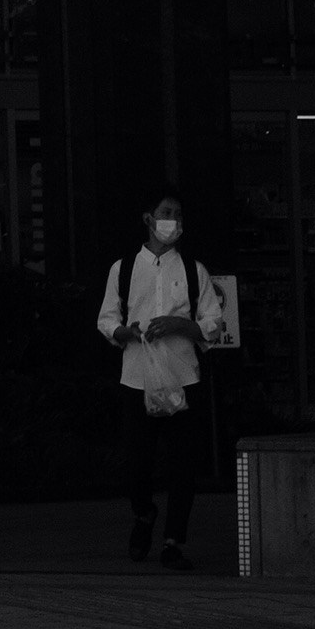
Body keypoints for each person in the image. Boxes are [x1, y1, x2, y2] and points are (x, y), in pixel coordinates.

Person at [98, 195, 227, 567]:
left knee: (182, 465)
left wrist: (180, 325)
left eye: (178, 215)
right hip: (137, 377)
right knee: (137, 465)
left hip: (182, 376)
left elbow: (212, 322)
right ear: (148, 219)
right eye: (166, 214)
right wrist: (124, 332)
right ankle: (143, 513)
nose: (173, 221)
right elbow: (106, 319)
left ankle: (173, 541)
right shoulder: (123, 269)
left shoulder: (192, 269)